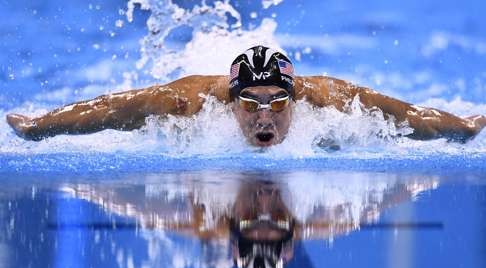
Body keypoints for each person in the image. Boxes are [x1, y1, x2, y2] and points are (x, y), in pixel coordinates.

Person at [6, 45, 486, 147]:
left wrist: (461, 129)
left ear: (295, 100)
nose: (265, 117)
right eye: (251, 102)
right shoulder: (186, 103)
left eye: (278, 103)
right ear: (231, 101)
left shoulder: (332, 99)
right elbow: (109, 110)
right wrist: (38, 128)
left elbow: (403, 113)